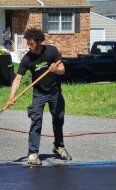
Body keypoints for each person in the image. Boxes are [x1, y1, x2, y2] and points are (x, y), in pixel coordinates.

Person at [6, 27, 72, 165]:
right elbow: (18, 79)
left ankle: (59, 146)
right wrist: (11, 97)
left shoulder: (51, 51)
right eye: (27, 43)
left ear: (38, 41)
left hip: (55, 92)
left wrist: (55, 68)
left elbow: (62, 69)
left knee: (58, 119)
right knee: (36, 121)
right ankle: (33, 153)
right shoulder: (27, 58)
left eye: (31, 43)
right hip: (39, 93)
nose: (29, 46)